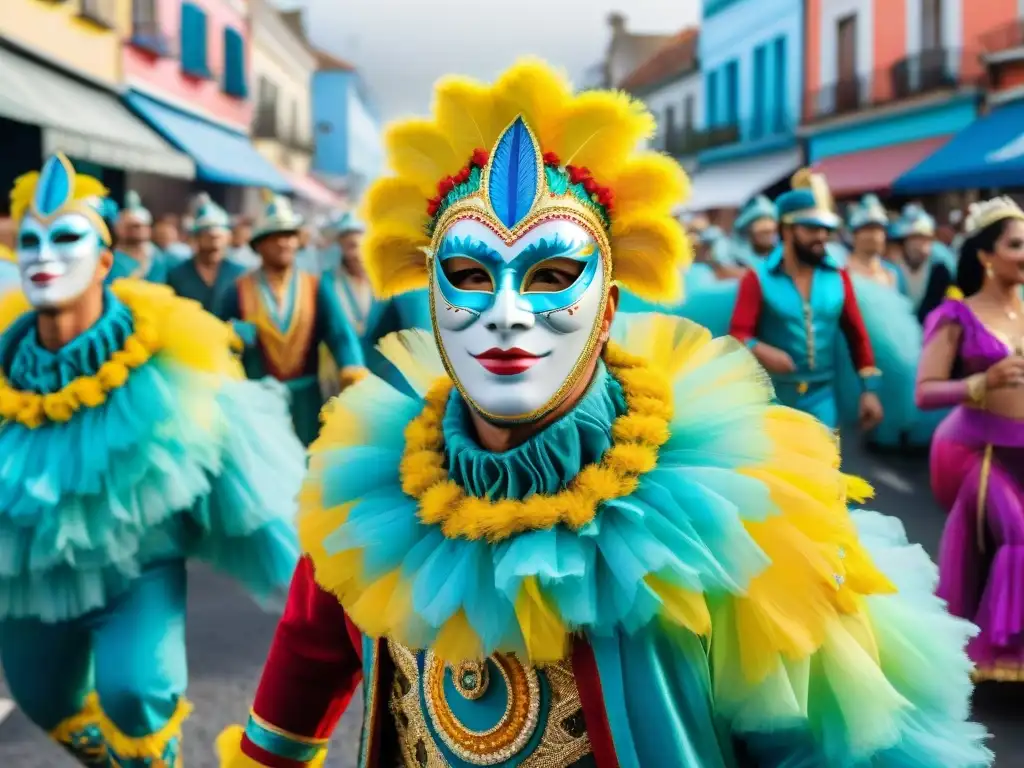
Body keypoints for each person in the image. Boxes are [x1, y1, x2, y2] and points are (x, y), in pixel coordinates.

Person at [216, 59, 989, 768]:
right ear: (431, 298)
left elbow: (831, 739)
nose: (508, 314)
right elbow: (301, 672)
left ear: (608, 303)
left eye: (552, 273)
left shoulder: (730, 504)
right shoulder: (369, 486)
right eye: (469, 274)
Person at [0, 153, 305, 767]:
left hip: (139, 564)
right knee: (42, 698)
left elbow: (230, 443)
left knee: (137, 694)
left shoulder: (164, 344)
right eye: (29, 241)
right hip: (35, 572)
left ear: (105, 261)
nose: (43, 256)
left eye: (65, 237)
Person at [917, 196, 1024, 683]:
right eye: (1017, 244)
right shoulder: (956, 316)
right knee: (1019, 533)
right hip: (971, 451)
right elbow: (924, 393)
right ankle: (1001, 656)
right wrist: (984, 382)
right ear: (986, 254)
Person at [728, 170, 885, 432]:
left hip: (822, 398)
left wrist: (869, 391)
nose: (821, 236)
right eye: (812, 229)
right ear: (787, 230)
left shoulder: (838, 277)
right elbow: (738, 333)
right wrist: (762, 350)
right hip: (771, 399)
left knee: (822, 470)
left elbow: (858, 336)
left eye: (825, 229)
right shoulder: (757, 278)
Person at [219, 191, 366, 445]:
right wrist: (232, 338)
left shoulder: (315, 286)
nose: (284, 243)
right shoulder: (238, 290)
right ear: (259, 245)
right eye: (275, 237)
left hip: (306, 403)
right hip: (257, 401)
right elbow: (216, 339)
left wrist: (351, 368)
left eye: (289, 236)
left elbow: (339, 333)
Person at [834, 195, 928, 450]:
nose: (873, 237)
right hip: (855, 354)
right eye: (866, 230)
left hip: (895, 355)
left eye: (878, 230)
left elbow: (903, 312)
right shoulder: (842, 271)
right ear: (854, 235)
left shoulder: (892, 271)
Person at [167, 193, 246, 315]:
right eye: (207, 234)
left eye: (218, 235)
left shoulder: (240, 274)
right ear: (196, 238)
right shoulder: (177, 274)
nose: (213, 238)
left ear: (228, 237)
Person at [892, 204, 954, 325]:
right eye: (915, 238)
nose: (921, 245)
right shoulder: (891, 269)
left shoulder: (940, 271)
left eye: (926, 239)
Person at [106, 190, 169, 283]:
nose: (140, 230)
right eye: (134, 226)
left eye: (144, 225)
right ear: (120, 229)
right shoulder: (112, 258)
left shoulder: (157, 257)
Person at [726, 194, 778, 268]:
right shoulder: (734, 262)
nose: (767, 226)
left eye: (770, 220)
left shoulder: (784, 259)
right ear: (747, 229)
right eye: (761, 221)